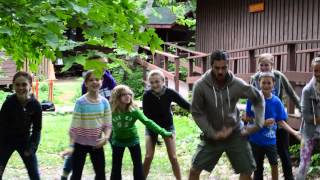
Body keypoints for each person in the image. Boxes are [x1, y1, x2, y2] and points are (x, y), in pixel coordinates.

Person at [188, 50, 265, 180]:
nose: (220, 72)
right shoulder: (200, 86)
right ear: (211, 66)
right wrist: (212, 132)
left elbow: (258, 98)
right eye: (217, 68)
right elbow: (197, 112)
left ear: (228, 66)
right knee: (194, 169)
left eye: (224, 68)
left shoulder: (237, 84)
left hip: (235, 133)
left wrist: (258, 124)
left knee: (247, 170)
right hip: (212, 135)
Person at [249, 53, 301, 180]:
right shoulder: (254, 78)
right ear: (258, 66)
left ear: (272, 65)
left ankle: (289, 177)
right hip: (262, 122)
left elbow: (291, 94)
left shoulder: (278, 76)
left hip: (278, 118)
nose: (264, 68)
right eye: (262, 65)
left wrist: (302, 109)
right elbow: (250, 96)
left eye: (267, 65)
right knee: (258, 157)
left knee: (284, 152)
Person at [61, 69, 116, 180]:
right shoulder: (80, 102)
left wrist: (105, 137)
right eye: (91, 80)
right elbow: (74, 126)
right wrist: (71, 146)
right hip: (80, 144)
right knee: (77, 174)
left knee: (101, 174)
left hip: (96, 144)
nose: (94, 82)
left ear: (102, 81)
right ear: (86, 83)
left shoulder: (105, 102)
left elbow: (108, 124)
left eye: (97, 79)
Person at [109, 85, 172, 180]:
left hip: (133, 140)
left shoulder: (134, 110)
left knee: (138, 166)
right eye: (123, 95)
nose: (127, 96)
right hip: (117, 141)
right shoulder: (111, 110)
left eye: (129, 94)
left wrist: (163, 132)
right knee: (116, 167)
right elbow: (102, 122)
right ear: (117, 97)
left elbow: (148, 122)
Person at [142, 69, 190, 180]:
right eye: (152, 82)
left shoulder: (169, 92)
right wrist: (155, 134)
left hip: (167, 126)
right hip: (151, 126)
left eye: (157, 81)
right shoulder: (147, 95)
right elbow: (146, 116)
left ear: (163, 81)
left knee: (173, 157)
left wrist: (199, 109)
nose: (154, 84)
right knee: (148, 156)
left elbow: (185, 104)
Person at [0, 71, 42, 180]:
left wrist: (32, 147)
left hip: (24, 141)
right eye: (17, 85)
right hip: (6, 140)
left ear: (30, 86)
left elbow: (37, 129)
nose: (20, 87)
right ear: (13, 86)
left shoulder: (35, 105)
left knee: (34, 175)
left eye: (24, 84)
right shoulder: (8, 103)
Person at [296, 56, 320, 180]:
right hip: (309, 130)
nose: (318, 73)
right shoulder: (307, 90)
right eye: (315, 70)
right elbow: (306, 116)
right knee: (304, 163)